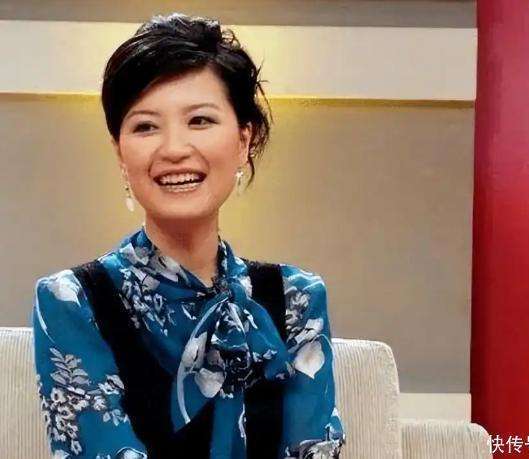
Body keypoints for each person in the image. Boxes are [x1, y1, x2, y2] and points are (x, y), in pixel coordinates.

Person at [31, 12, 346, 458]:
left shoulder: (295, 298)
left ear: (244, 140)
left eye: (199, 120)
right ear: (120, 153)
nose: (174, 148)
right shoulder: (72, 300)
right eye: (145, 126)